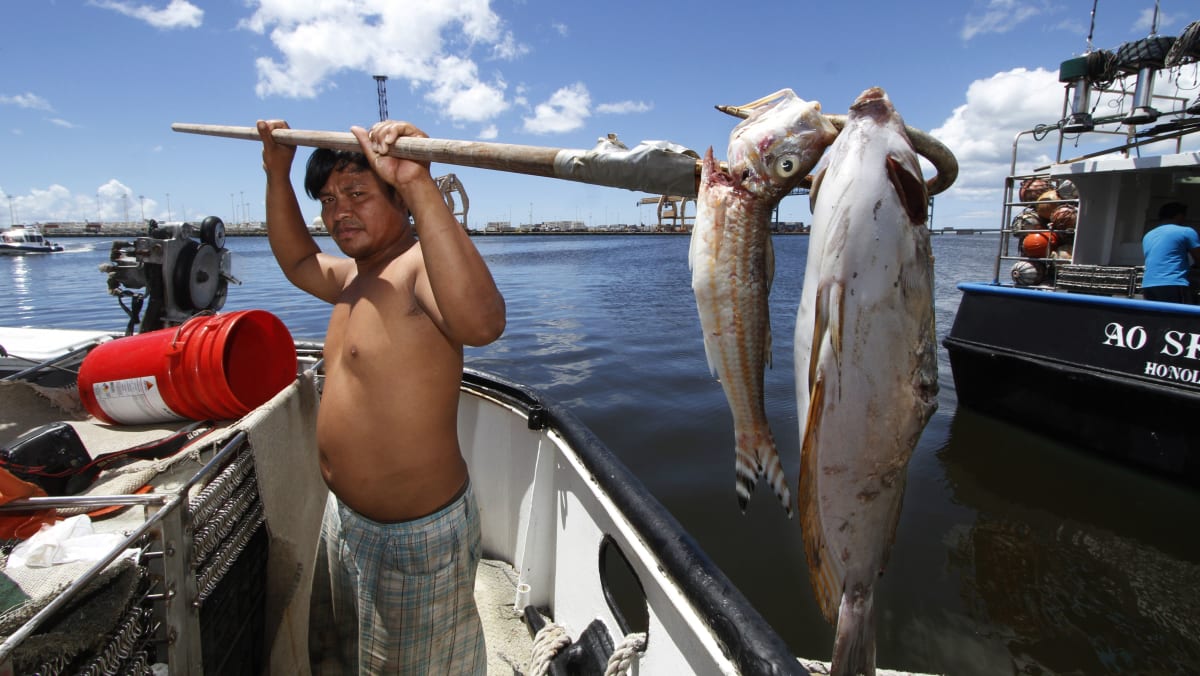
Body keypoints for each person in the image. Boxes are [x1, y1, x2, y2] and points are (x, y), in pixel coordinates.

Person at [257, 118, 506, 674]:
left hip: (413, 540)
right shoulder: (352, 278)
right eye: (327, 199)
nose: (338, 210)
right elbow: (297, 261)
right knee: (347, 658)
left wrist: (419, 182)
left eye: (357, 193)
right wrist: (277, 172)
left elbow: (483, 323)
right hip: (345, 521)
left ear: (399, 200)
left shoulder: (418, 266)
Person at [1141, 202, 1199, 304]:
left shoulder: (1149, 235)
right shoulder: (1186, 231)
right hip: (1173, 284)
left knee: (1156, 318)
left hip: (1148, 285)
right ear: (1179, 215)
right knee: (1179, 318)